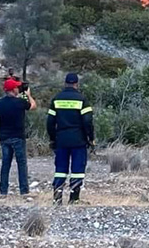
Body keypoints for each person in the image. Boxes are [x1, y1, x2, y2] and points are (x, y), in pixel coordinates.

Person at [47, 73, 94, 205]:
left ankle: (57, 198)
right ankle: (74, 198)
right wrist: (90, 138)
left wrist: (53, 138)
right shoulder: (82, 99)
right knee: (77, 169)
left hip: (61, 139)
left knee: (60, 169)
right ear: (76, 84)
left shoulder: (56, 99)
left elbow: (50, 122)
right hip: (78, 140)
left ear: (65, 83)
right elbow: (88, 121)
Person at [0, 78, 37, 196]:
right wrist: (28, 95)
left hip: (4, 137)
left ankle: (3, 190)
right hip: (18, 136)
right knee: (21, 164)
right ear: (13, 89)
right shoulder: (19, 102)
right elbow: (33, 106)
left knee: (5, 164)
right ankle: (24, 190)